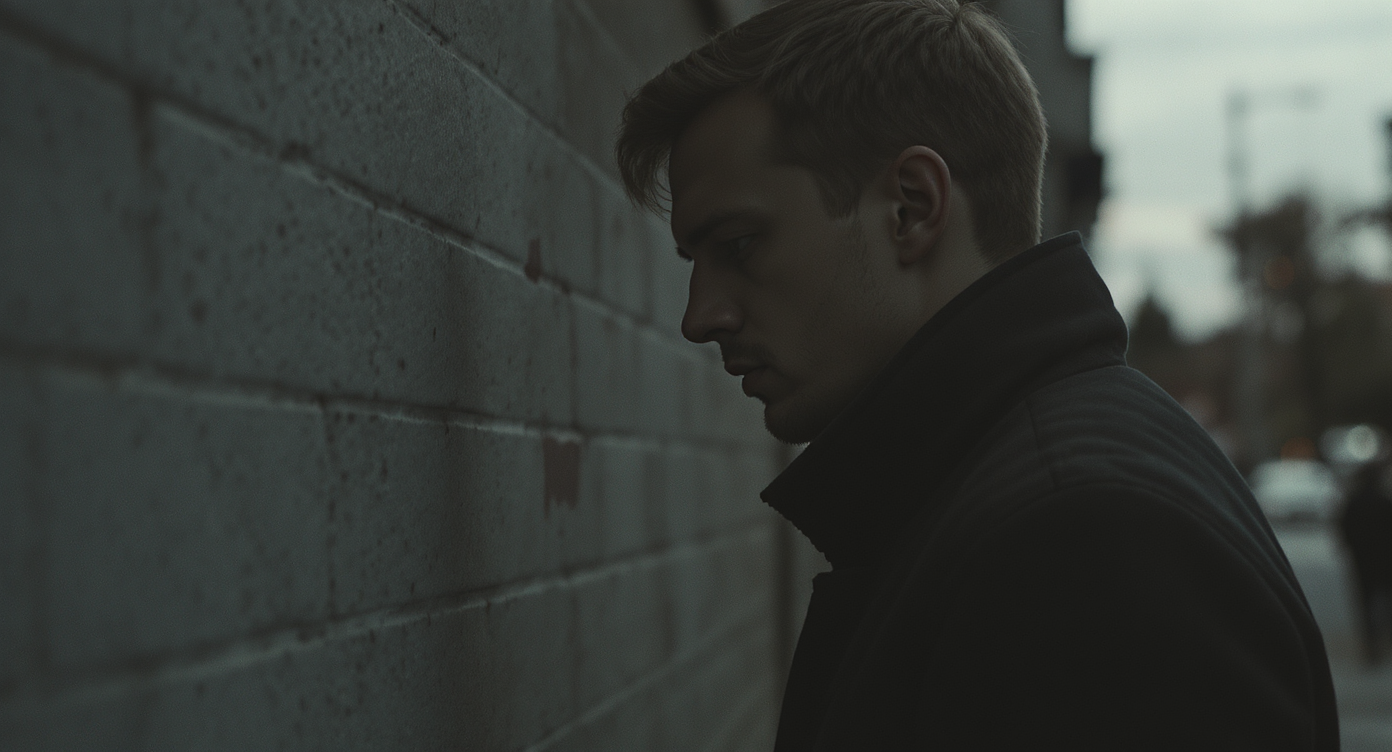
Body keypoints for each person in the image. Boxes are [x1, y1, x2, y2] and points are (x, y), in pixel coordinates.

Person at [615, 1, 1338, 748]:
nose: (699, 317)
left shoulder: (1081, 538)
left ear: (911, 208)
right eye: (694, 263)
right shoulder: (1021, 492)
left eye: (738, 246)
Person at [1338, 461, 1392, 666]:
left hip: (1362, 558)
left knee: (1365, 600)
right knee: (1386, 597)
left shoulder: (1354, 501)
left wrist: (1351, 547)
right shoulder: (1384, 500)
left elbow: (1344, 527)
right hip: (1386, 557)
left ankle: (1371, 642)